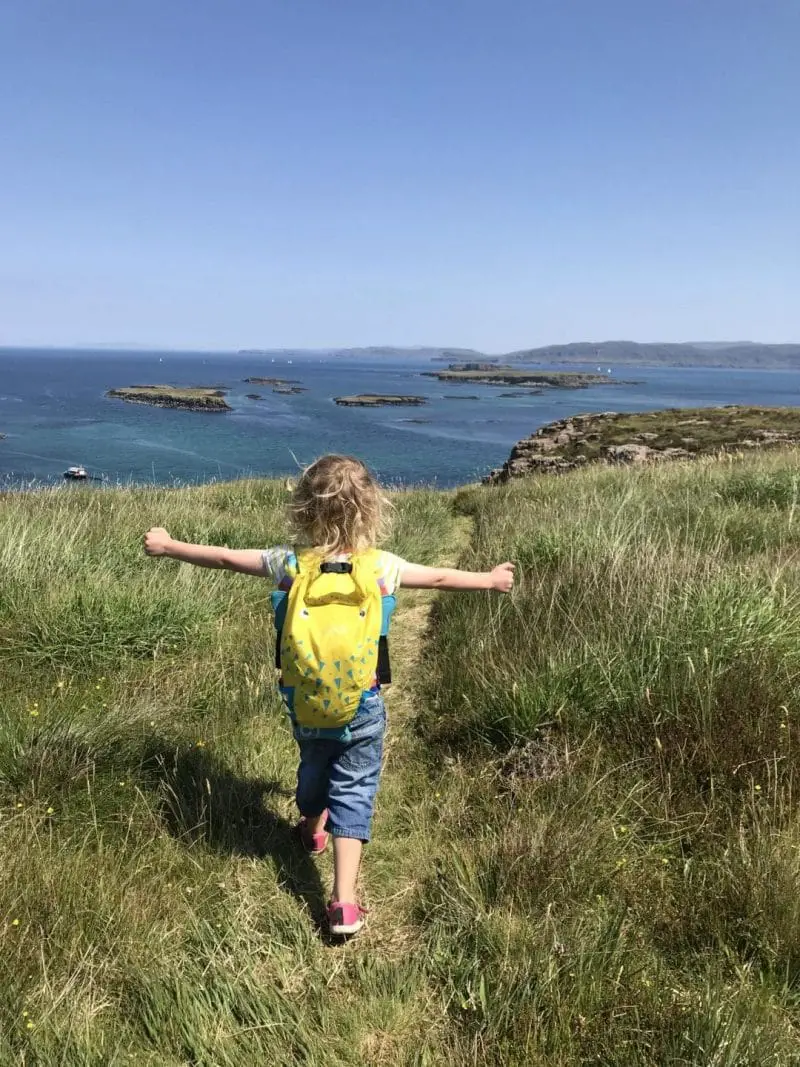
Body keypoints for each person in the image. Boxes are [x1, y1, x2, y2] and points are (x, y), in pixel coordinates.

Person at [144, 454, 514, 937]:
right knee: (356, 788)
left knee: (314, 763)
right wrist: (490, 579)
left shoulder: (288, 563)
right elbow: (442, 578)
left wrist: (170, 545)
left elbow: (223, 556)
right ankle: (343, 902)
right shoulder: (382, 566)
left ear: (302, 508)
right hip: (363, 702)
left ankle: (311, 826)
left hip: (304, 699)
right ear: (371, 511)